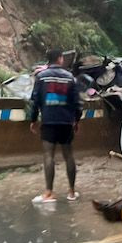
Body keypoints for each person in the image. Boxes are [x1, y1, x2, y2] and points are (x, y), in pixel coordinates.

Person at [29, 49, 83, 203]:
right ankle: (72, 192)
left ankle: (49, 193)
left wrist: (33, 120)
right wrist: (76, 121)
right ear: (60, 59)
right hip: (66, 123)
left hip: (49, 122)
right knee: (69, 156)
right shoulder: (70, 78)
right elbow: (78, 104)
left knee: (48, 156)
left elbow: (35, 101)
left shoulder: (41, 77)